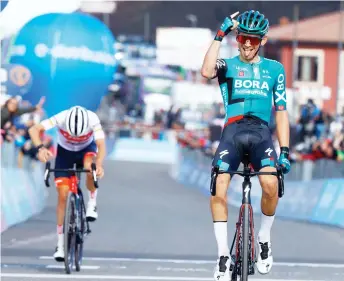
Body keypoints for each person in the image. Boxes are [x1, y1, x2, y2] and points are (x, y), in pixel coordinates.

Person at [201, 10, 291, 280]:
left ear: (262, 40)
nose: (247, 44)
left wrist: (284, 151)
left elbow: (282, 112)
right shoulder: (227, 65)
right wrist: (221, 33)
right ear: (237, 38)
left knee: (271, 184)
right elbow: (206, 71)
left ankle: (263, 238)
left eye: (253, 39)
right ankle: (221, 256)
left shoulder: (275, 69)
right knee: (218, 187)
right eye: (242, 37)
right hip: (233, 132)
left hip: (261, 133)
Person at [28, 105, 106, 261]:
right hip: (65, 153)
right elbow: (34, 130)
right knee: (62, 196)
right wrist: (41, 148)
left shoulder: (93, 119)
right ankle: (61, 245)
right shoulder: (61, 116)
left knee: (88, 166)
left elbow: (101, 145)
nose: (76, 137)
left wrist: (99, 164)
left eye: (79, 135)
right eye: (72, 134)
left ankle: (92, 203)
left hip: (87, 150)